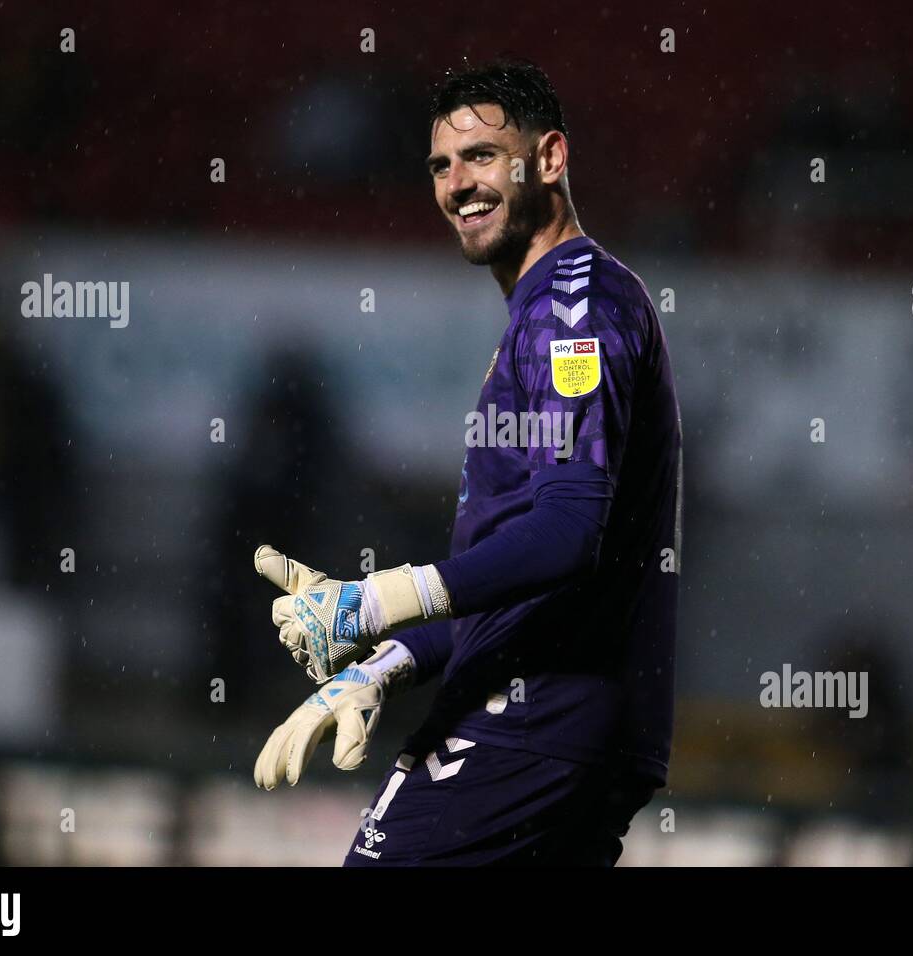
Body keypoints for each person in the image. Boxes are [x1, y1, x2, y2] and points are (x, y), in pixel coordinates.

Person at [252, 58, 683, 867]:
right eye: (441, 166)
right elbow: (526, 578)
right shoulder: (547, 310)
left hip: (534, 721)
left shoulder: (571, 309)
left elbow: (566, 531)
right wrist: (387, 665)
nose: (458, 184)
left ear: (550, 159)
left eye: (482, 156)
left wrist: (381, 599)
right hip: (554, 721)